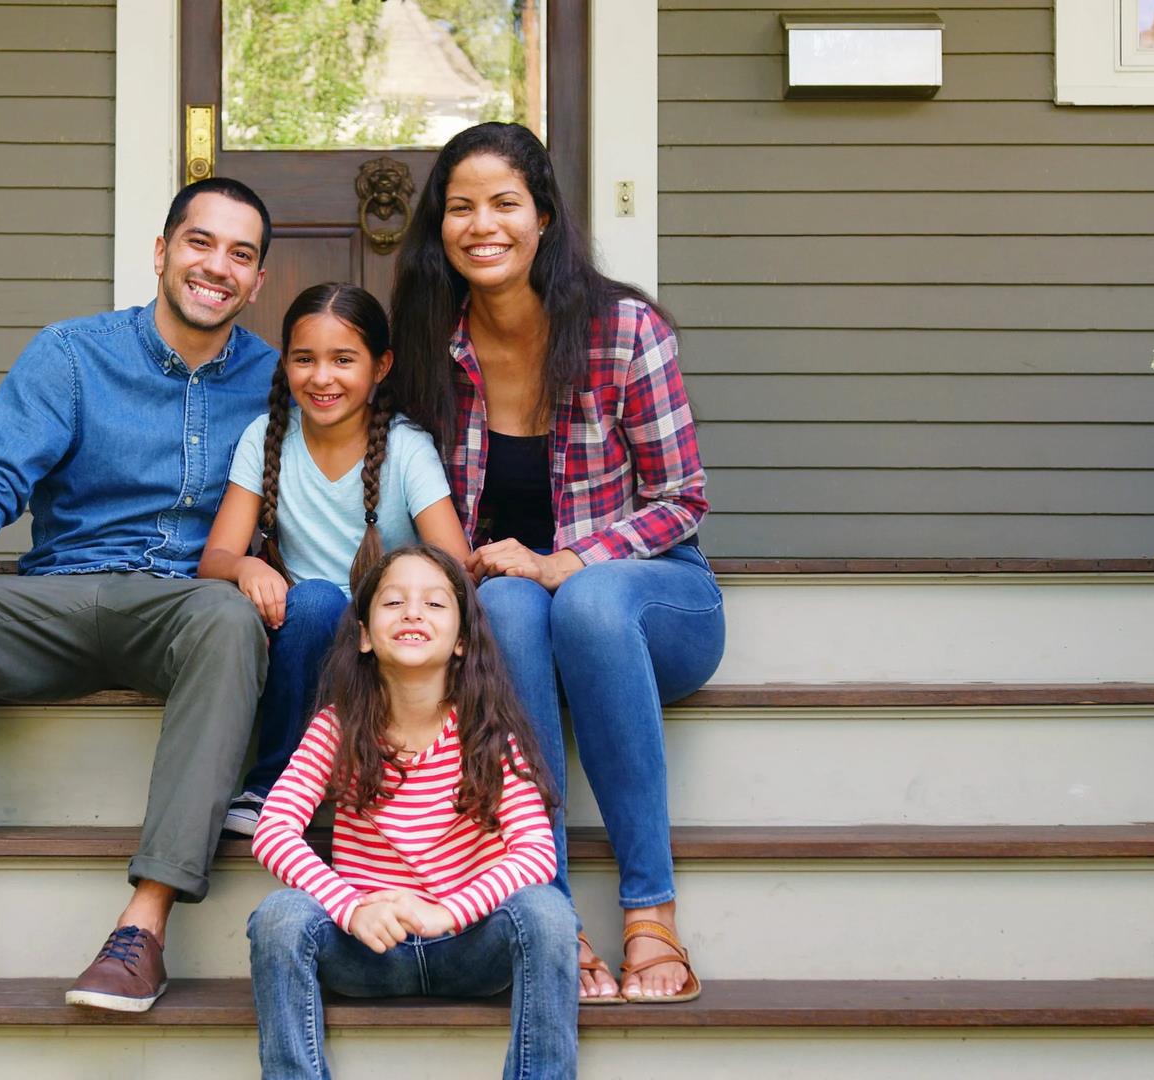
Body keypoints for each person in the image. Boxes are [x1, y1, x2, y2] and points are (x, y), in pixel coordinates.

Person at [0, 177, 280, 1013]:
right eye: (199, 242)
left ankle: (142, 930)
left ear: (257, 282)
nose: (216, 266)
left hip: (183, 612)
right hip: (61, 597)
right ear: (161, 252)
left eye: (240, 254)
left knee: (230, 620)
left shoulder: (276, 380)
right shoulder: (72, 354)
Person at [389, 122, 727, 1005]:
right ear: (439, 227)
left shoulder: (623, 330)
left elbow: (681, 501)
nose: (482, 224)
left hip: (656, 605)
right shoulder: (434, 343)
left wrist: (564, 559)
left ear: (544, 215)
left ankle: (650, 909)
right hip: (522, 620)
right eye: (460, 207)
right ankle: (549, 916)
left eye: (504, 202)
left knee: (582, 601)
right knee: (499, 611)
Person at [247, 545, 577, 1079]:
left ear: (464, 641)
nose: (413, 613)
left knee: (547, 911)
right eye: (394, 601)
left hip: (470, 945)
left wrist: (446, 913)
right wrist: (351, 908)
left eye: (435, 604)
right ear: (363, 634)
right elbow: (274, 829)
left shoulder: (489, 734)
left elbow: (537, 856)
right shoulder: (336, 727)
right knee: (280, 916)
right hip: (367, 948)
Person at [199, 283, 468, 837]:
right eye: (305, 359)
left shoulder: (405, 447)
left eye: (343, 360)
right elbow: (215, 557)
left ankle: (399, 781)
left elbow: (455, 566)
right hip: (302, 633)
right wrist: (248, 566)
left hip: (390, 636)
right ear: (286, 364)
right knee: (317, 600)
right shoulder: (266, 438)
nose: (322, 378)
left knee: (340, 605)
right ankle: (271, 784)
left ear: (380, 365)